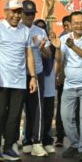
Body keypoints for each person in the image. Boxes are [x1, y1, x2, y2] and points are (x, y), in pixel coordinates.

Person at [0, 0, 37, 162]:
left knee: (14, 116)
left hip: (19, 81)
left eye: (19, 12)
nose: (16, 15)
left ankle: (8, 147)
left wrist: (33, 77)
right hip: (2, 79)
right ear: (6, 11)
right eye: (13, 11)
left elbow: (29, 55)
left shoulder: (25, 31)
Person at [52, 11, 82, 162]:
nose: (79, 26)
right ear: (70, 25)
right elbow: (59, 60)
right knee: (65, 117)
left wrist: (72, 46)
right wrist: (57, 48)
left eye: (81, 23)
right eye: (76, 23)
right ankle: (75, 144)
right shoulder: (63, 39)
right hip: (69, 85)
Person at [19, 1, 51, 157]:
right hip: (17, 74)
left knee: (37, 108)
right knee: (17, 109)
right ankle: (24, 141)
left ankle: (37, 142)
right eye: (27, 13)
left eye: (32, 13)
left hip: (36, 74)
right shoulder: (16, 29)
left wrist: (43, 48)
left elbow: (48, 55)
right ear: (21, 13)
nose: (30, 16)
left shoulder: (40, 31)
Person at [34, 19, 56, 154]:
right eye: (38, 27)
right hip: (36, 83)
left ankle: (47, 141)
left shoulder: (51, 45)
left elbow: (55, 60)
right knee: (34, 114)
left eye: (44, 28)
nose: (41, 29)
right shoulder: (32, 43)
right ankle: (30, 140)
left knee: (48, 115)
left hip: (49, 85)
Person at [54, 14, 72, 147]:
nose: (66, 27)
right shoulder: (61, 39)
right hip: (64, 80)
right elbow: (58, 60)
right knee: (61, 109)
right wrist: (58, 76)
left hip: (78, 80)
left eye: (68, 25)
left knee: (76, 111)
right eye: (64, 25)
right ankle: (59, 137)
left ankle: (76, 140)